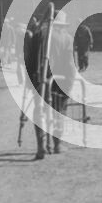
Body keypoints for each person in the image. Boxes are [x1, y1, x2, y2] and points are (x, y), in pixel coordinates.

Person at [24, 11, 76, 159]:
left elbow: (29, 60)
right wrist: (70, 85)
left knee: (39, 112)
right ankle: (57, 145)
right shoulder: (66, 39)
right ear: (62, 25)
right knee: (59, 112)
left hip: (40, 80)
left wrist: (30, 82)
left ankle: (41, 147)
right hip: (59, 83)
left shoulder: (38, 36)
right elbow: (70, 65)